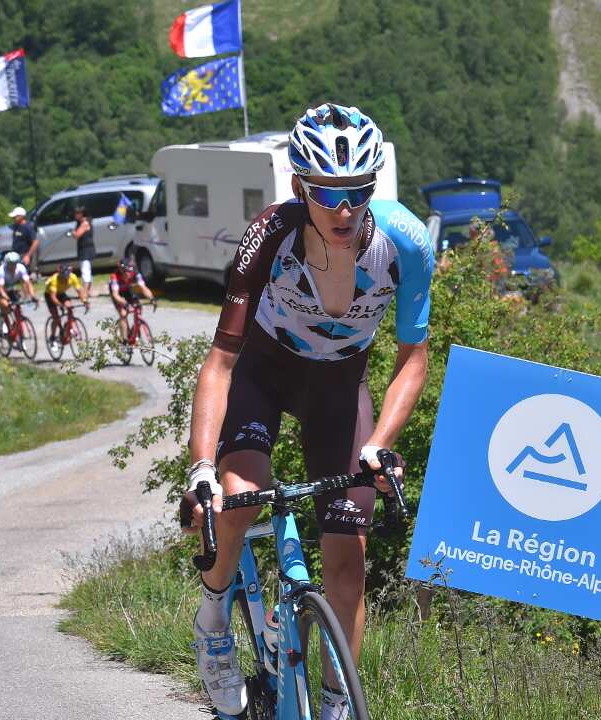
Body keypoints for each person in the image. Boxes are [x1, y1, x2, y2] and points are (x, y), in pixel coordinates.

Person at [178, 103, 433, 719]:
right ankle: (213, 615)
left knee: (348, 555)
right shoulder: (271, 234)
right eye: (327, 192)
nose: (344, 209)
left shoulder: (406, 242)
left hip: (339, 387)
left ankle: (337, 701)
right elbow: (220, 362)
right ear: (300, 186)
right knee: (239, 495)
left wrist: (382, 444)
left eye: (358, 191)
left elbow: (413, 356)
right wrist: (200, 466)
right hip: (265, 371)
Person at [108, 257, 153, 343]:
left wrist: (152, 298)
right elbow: (115, 295)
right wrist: (124, 303)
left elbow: (144, 288)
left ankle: (135, 327)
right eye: (125, 271)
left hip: (127, 290)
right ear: (121, 270)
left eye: (130, 271)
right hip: (117, 293)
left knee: (138, 307)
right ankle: (124, 339)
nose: (128, 274)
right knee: (123, 313)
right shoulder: (114, 276)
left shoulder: (136, 273)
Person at [44, 264, 89, 335]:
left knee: (69, 306)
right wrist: (60, 305)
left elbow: (79, 291)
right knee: (56, 318)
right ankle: (52, 337)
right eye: (63, 277)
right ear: (60, 274)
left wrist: (84, 301)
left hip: (61, 293)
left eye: (67, 277)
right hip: (50, 295)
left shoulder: (73, 277)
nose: (65, 279)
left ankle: (70, 326)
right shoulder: (54, 279)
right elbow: (53, 297)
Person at [0, 251, 36, 318]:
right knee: (5, 305)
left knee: (17, 306)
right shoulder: (1, 270)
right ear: (6, 263)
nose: (12, 266)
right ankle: (1, 319)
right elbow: (0, 288)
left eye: (14, 263)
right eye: (10, 263)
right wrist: (7, 299)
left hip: (10, 287)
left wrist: (32, 296)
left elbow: (28, 283)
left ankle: (17, 324)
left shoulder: (21, 268)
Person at [71, 206, 95, 298]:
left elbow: (77, 235)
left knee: (85, 270)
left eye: (76, 213)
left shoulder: (84, 223)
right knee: (87, 270)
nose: (74, 215)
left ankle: (84, 292)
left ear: (81, 214)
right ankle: (88, 291)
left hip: (86, 249)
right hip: (84, 248)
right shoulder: (81, 222)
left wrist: (73, 232)